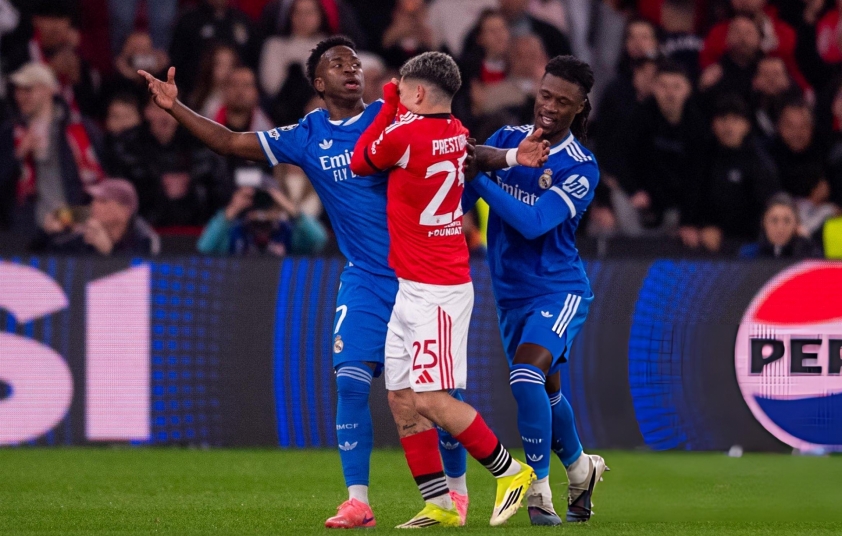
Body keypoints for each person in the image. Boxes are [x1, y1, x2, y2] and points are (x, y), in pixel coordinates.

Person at [139, 36, 548, 529]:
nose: (351, 69)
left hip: (419, 273)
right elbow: (229, 141)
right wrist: (175, 106)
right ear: (318, 82)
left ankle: (456, 494)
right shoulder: (306, 134)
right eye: (338, 64)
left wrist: (510, 157)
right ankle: (359, 501)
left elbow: (459, 151)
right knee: (353, 381)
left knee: (435, 399)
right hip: (366, 278)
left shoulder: (393, 118)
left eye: (355, 61)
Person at [349, 51, 536, 528]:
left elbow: (360, 161)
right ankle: (440, 504)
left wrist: (388, 105)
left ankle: (511, 472)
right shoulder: (457, 133)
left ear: (416, 93)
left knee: (430, 400)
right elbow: (479, 155)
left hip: (437, 290)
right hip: (415, 285)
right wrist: (512, 156)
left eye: (403, 90)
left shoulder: (404, 134)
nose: (398, 95)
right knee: (400, 396)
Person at [462, 55, 608, 525]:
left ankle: (538, 490)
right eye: (545, 95)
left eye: (563, 102)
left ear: (579, 107)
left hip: (557, 290)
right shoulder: (507, 141)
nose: (549, 107)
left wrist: (480, 176)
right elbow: (460, 196)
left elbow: (534, 222)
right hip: (510, 294)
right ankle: (582, 469)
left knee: (526, 376)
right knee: (546, 391)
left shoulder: (581, 167)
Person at [0, 62, 104, 234]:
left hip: (74, 225)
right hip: (28, 231)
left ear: (48, 89)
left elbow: (102, 183)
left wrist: (79, 219)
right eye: (17, 90)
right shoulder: (11, 132)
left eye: (28, 89)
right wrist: (18, 154)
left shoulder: (80, 129)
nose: (20, 96)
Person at [32, 177, 159, 255]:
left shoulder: (145, 239)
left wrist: (109, 253)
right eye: (94, 199)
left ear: (124, 212)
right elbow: (39, 258)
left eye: (102, 201)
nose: (93, 205)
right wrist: (47, 233)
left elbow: (136, 281)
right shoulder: (89, 230)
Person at [739, 192, 823, 258]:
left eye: (787, 221)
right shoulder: (748, 255)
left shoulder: (808, 254)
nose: (780, 228)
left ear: (796, 225)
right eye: (774, 220)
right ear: (763, 223)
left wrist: (807, 243)